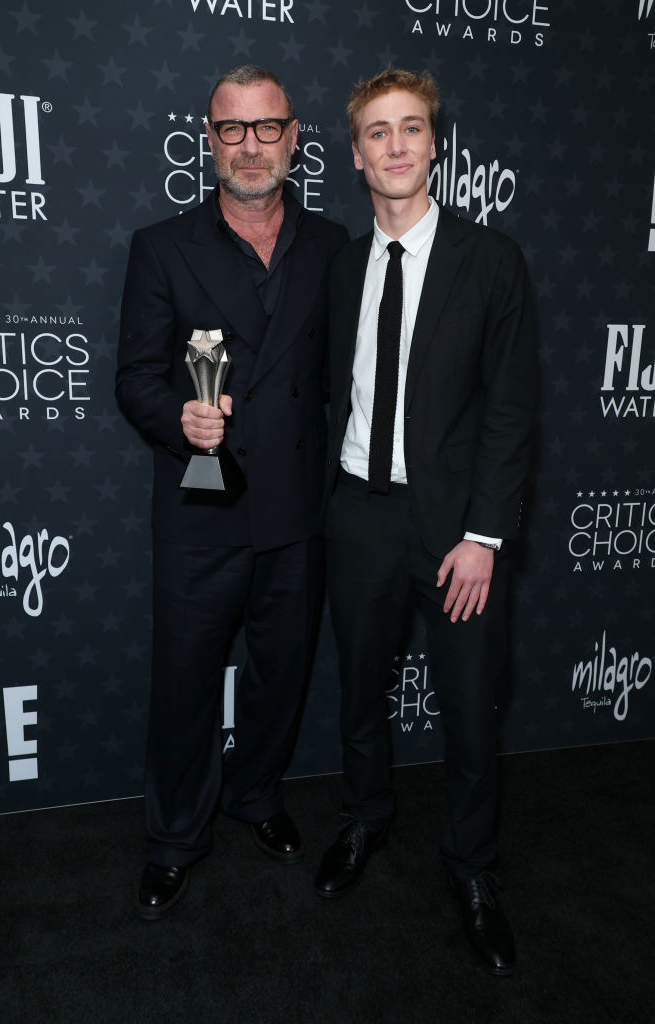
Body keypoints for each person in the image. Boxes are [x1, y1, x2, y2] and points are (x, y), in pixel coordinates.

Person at [314, 68, 538, 976]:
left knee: (471, 717)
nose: (396, 145)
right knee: (360, 695)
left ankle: (473, 870)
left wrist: (484, 537)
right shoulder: (337, 265)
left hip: (456, 533)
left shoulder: (492, 261)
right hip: (358, 515)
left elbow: (510, 413)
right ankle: (367, 820)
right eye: (377, 132)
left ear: (436, 145)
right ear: (357, 153)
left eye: (411, 128)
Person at [116, 65, 347, 920]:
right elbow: (133, 376)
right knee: (183, 682)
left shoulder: (333, 246)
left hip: (296, 510)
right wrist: (179, 417)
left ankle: (256, 795)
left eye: (266, 127)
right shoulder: (161, 246)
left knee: (279, 676)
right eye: (231, 130)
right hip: (200, 511)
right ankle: (175, 837)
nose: (250, 146)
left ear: (293, 136)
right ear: (207, 141)